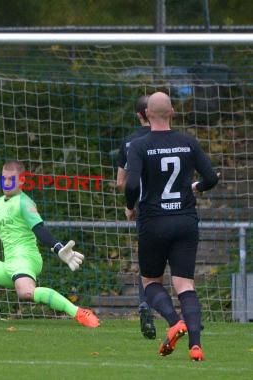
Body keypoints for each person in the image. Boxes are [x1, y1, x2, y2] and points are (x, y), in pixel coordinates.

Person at [0, 160, 99, 328]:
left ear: (21, 180)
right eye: (3, 178)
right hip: (9, 265)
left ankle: (79, 312)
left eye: (11, 179)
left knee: (25, 292)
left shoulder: (24, 202)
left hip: (26, 259)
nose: (6, 183)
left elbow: (40, 230)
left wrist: (58, 248)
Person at [124, 92, 219, 361]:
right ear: (172, 112)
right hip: (185, 222)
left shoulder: (139, 147)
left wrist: (131, 206)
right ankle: (196, 346)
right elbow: (211, 177)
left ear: (146, 114)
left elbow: (131, 184)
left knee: (151, 282)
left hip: (154, 222)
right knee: (185, 285)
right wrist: (196, 187)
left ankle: (174, 322)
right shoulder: (188, 143)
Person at [116, 95, 156, 340]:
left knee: (148, 260)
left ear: (138, 115)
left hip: (143, 208)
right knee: (178, 262)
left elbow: (122, 181)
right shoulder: (172, 139)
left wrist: (130, 204)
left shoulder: (129, 142)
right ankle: (188, 313)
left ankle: (145, 304)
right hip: (171, 207)